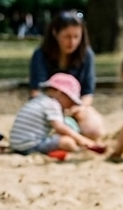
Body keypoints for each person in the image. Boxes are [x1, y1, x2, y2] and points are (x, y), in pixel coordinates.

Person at [29, 10, 104, 139]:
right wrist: (54, 110)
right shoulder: (40, 54)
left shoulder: (86, 55)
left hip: (75, 106)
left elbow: (88, 93)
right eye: (67, 37)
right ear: (55, 33)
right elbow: (37, 91)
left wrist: (79, 108)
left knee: (95, 131)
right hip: (46, 107)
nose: (72, 42)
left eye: (76, 37)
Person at [9, 73, 103, 156]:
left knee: (59, 139)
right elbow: (60, 128)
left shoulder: (40, 100)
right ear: (59, 93)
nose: (70, 106)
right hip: (29, 145)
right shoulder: (52, 104)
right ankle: (78, 152)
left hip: (17, 144)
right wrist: (82, 140)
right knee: (67, 142)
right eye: (70, 101)